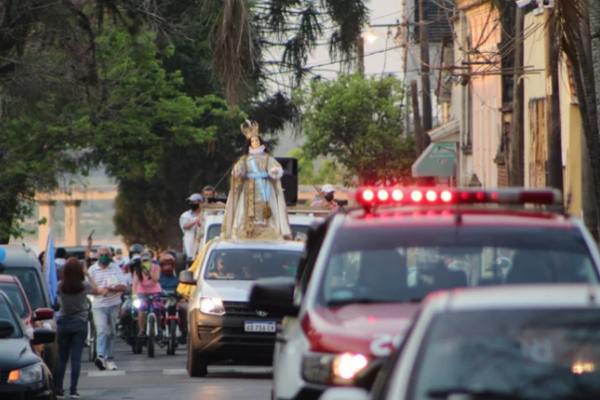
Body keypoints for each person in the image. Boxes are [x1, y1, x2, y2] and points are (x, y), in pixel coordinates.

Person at [221, 120, 292, 240]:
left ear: (260, 142)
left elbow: (275, 168)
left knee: (268, 211)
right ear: (250, 144)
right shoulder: (245, 159)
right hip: (249, 188)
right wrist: (238, 171)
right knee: (246, 212)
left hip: (265, 187)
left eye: (257, 140)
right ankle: (247, 229)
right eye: (253, 141)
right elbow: (240, 169)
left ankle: (270, 229)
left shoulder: (268, 158)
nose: (255, 142)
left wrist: (274, 170)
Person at [54, 258, 100, 398]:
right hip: (80, 322)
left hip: (63, 322)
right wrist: (88, 274)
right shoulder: (83, 285)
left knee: (62, 358)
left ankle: (58, 389)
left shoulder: (60, 285)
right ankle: (73, 389)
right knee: (76, 358)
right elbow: (96, 290)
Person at [88, 246, 126, 371]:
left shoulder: (115, 268)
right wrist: (99, 292)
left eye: (106, 254)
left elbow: (123, 286)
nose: (104, 256)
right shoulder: (92, 270)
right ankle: (100, 356)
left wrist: (112, 289)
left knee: (111, 332)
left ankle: (110, 359)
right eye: (102, 254)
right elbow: (88, 289)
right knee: (101, 330)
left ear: (110, 256)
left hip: (114, 304)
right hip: (99, 306)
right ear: (98, 256)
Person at [158, 252, 187, 343]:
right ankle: (157, 331)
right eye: (165, 264)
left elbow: (183, 288)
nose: (168, 266)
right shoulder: (157, 276)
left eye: (169, 264)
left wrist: (183, 296)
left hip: (175, 300)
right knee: (155, 309)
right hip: (162, 300)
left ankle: (184, 331)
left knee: (185, 308)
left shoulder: (178, 275)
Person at [132, 251, 163, 339]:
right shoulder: (137, 271)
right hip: (142, 291)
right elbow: (135, 284)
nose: (145, 263)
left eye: (147, 261)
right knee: (141, 309)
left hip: (155, 290)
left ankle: (159, 329)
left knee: (157, 309)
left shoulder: (156, 267)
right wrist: (135, 295)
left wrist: (149, 272)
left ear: (150, 260)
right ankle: (141, 330)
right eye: (143, 261)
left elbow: (156, 279)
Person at [180, 193, 203, 259]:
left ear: (200, 202)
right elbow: (185, 225)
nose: (191, 203)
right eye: (190, 202)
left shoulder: (206, 214)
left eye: (193, 201)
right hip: (189, 246)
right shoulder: (186, 215)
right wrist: (196, 220)